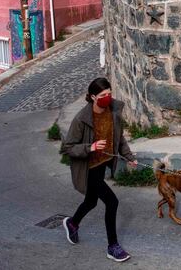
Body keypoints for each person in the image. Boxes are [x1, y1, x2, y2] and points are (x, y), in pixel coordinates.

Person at [60, 77, 137, 262]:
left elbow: (119, 139)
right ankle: (113, 246)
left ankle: (72, 223)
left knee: (91, 202)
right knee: (112, 202)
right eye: (103, 95)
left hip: (102, 165)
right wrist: (91, 147)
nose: (107, 97)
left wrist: (129, 157)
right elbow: (67, 147)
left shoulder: (113, 112)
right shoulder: (82, 119)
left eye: (109, 93)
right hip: (88, 168)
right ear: (93, 97)